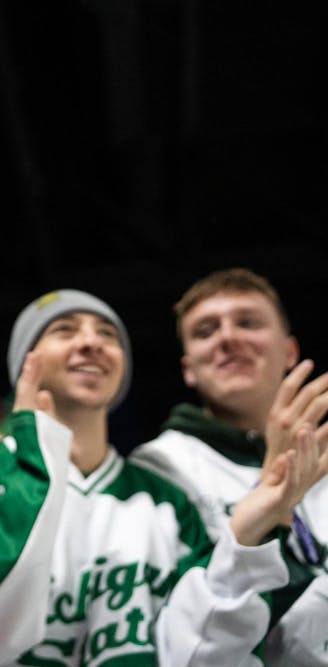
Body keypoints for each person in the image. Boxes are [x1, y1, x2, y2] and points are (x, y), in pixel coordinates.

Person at [0, 288, 327, 666]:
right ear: (26, 363)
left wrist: (246, 540)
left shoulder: (166, 498)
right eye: (64, 330)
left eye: (107, 334)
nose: (91, 342)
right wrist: (34, 455)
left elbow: (198, 654)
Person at [129, 267, 328, 665]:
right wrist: (266, 513)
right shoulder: (157, 470)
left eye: (248, 323)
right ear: (188, 368)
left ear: (289, 351)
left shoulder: (321, 452)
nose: (227, 338)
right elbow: (180, 650)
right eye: (206, 331)